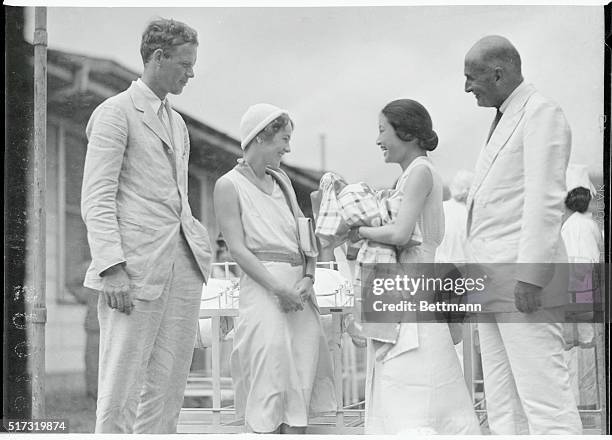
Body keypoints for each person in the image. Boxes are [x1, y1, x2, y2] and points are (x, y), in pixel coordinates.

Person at [81, 18, 213, 433]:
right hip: (133, 272)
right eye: (185, 64)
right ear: (158, 58)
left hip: (182, 268)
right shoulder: (115, 113)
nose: (191, 73)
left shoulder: (178, 123)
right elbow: (96, 199)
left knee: (169, 385)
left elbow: (177, 200)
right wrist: (112, 267)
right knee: (121, 386)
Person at [463, 35, 582, 434]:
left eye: (471, 77)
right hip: (491, 279)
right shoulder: (505, 118)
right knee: (502, 402)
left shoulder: (541, 112)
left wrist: (532, 275)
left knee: (544, 400)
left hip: (521, 279)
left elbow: (545, 199)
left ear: (498, 73)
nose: (466, 87)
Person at [353, 99, 481, 434]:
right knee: (408, 383)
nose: (378, 139)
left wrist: (358, 229)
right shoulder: (410, 175)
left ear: (406, 132)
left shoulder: (421, 172)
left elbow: (400, 233)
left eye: (383, 130)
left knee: (411, 382)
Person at [213, 103, 335, 434]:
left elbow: (304, 234)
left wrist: (309, 276)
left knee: (299, 382)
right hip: (264, 291)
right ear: (261, 137)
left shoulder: (282, 181)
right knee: (269, 376)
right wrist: (278, 288)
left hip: (299, 293)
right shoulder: (229, 185)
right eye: (284, 138)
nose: (288, 147)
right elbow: (237, 248)